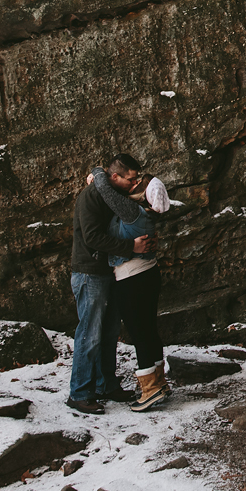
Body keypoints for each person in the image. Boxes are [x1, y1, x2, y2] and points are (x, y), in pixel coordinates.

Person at [67, 152, 150, 414]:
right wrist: (130, 247)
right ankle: (80, 392)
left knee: (109, 331)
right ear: (114, 177)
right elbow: (91, 237)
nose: (134, 184)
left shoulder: (114, 196)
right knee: (89, 333)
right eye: (130, 179)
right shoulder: (91, 196)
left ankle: (106, 385)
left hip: (108, 271)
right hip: (89, 272)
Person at [92, 167, 173, 411]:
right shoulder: (147, 214)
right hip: (149, 273)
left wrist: (97, 172)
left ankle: (149, 390)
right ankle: (159, 383)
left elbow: (106, 191)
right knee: (149, 329)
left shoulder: (132, 212)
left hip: (132, 277)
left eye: (140, 184)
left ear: (145, 196)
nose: (135, 184)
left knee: (139, 333)